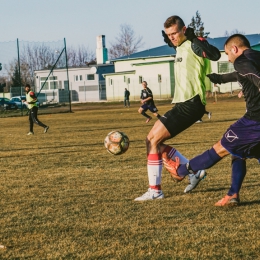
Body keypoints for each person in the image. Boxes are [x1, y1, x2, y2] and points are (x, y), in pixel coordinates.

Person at [162, 34, 260, 206]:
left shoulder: (241, 60)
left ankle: (181, 170)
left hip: (253, 121)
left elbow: (253, 75)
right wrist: (221, 78)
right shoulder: (255, 57)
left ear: (234, 49)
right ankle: (233, 194)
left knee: (220, 147)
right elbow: (243, 74)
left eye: (228, 55)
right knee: (239, 152)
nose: (229, 60)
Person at [134, 15, 220, 201]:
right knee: (150, 141)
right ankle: (192, 172)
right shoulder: (179, 46)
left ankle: (155, 191)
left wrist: (194, 37)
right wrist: (173, 38)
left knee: (154, 140)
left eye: (175, 33)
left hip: (192, 103)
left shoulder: (194, 44)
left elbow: (215, 55)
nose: (171, 37)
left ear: (184, 29)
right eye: (168, 34)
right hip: (183, 103)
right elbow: (171, 39)